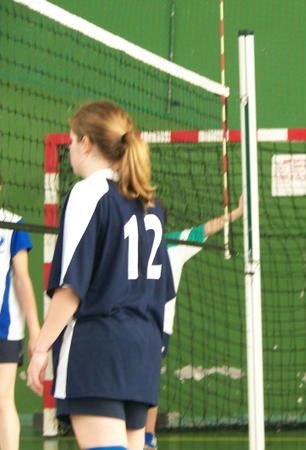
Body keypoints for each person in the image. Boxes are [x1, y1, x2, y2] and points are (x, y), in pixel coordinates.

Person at [26, 100, 175, 450]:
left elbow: (71, 286)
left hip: (100, 347)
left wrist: (41, 346)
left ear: (87, 143)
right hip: (143, 349)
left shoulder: (89, 192)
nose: (70, 149)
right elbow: (164, 292)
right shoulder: (151, 204)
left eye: (71, 140)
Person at [144, 197, 243, 450]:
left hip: (156, 328)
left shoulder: (174, 243)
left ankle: (147, 437)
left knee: (147, 381)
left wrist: (237, 213)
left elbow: (205, 229)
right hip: (127, 324)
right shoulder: (126, 245)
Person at [0, 198, 40, 450]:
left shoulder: (13, 224)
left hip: (6, 327)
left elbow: (22, 279)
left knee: (3, 399)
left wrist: (35, 329)